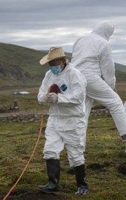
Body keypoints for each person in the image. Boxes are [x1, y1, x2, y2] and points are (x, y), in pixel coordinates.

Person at [71, 21, 126, 143]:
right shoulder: (103, 43)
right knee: (115, 101)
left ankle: (77, 145)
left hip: (74, 77)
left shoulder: (80, 39)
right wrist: (110, 86)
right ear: (108, 32)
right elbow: (108, 68)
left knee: (82, 113)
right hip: (89, 77)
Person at [37, 47, 88, 195]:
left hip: (73, 120)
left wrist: (59, 98)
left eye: (54, 62)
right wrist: (45, 98)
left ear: (62, 60)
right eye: (50, 63)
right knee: (50, 149)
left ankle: (82, 185)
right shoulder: (48, 75)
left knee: (75, 153)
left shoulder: (75, 75)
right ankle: (53, 183)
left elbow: (79, 97)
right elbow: (41, 94)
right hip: (55, 119)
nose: (52, 66)